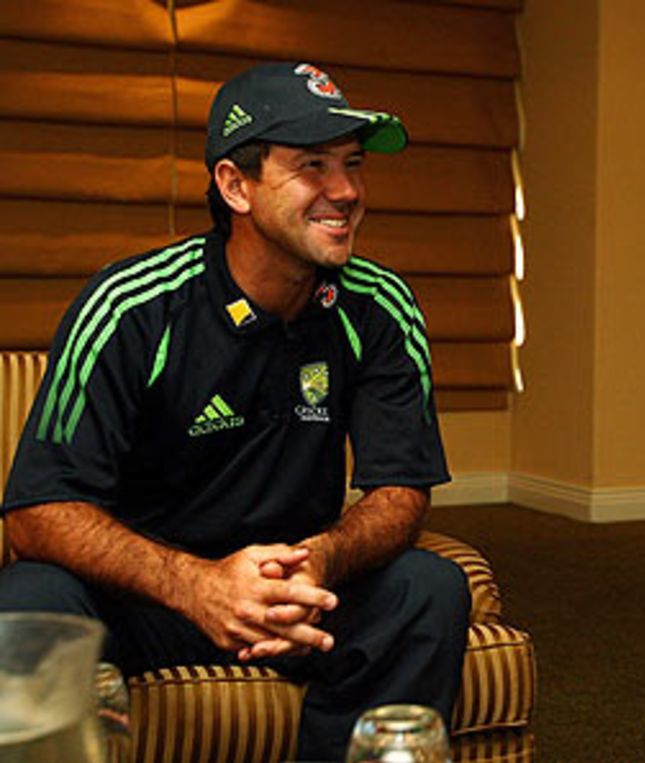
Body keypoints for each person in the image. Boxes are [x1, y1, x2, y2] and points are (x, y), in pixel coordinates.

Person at [0, 62, 471, 759]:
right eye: (313, 164)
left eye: (351, 163)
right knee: (27, 600)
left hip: (296, 591)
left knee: (428, 588)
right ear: (234, 185)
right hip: (149, 596)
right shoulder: (131, 307)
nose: (345, 191)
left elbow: (400, 488)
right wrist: (197, 584)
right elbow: (37, 510)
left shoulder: (379, 306)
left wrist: (320, 560)